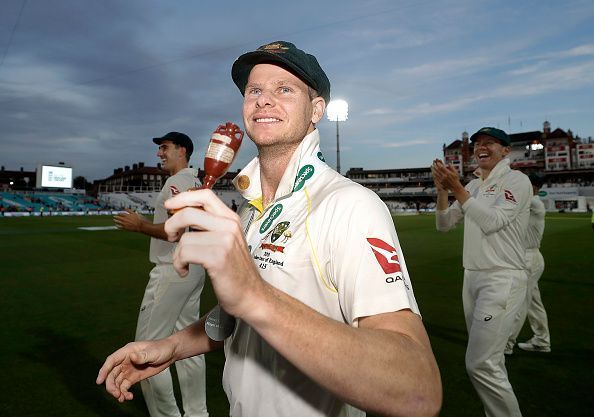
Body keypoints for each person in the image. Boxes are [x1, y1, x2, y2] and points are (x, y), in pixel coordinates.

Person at [98, 41, 442, 417]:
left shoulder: (350, 206)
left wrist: (255, 296)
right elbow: (235, 319)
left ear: (317, 111)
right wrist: (173, 346)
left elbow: (418, 390)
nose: (264, 100)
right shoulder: (252, 210)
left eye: (284, 89)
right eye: (255, 90)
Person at [432, 127, 532, 417]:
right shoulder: (475, 186)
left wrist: (458, 189)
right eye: (477, 143)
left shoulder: (517, 181)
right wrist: (442, 190)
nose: (480, 147)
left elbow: (492, 222)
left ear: (505, 151)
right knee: (492, 361)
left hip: (502, 277)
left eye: (489, 142)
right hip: (472, 276)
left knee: (480, 364)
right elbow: (444, 224)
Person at [112, 132, 209, 417]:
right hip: (195, 267)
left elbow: (175, 230)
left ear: (182, 150)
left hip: (172, 270)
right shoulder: (196, 181)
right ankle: (197, 413)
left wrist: (139, 225)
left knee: (147, 350)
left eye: (164, 148)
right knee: (189, 349)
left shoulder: (177, 182)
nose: (159, 154)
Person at [506, 173, 551, 354]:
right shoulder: (530, 202)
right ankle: (542, 340)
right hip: (527, 258)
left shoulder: (534, 202)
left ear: (534, 188)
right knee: (533, 303)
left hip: (529, 259)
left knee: (519, 302)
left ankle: (507, 344)